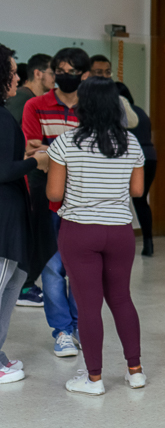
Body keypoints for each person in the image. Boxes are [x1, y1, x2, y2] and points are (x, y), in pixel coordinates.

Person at [46, 77, 146, 394]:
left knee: (88, 305)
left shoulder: (65, 142)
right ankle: (135, 371)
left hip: (79, 231)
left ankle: (93, 379)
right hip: (119, 232)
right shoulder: (131, 143)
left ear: (83, 105)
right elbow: (137, 190)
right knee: (121, 298)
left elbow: (54, 193)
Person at [21, 47, 90, 358]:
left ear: (83, 75)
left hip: (83, 197)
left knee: (79, 267)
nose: (64, 76)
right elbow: (32, 151)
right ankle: (62, 330)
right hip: (45, 195)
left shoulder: (90, 107)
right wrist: (64, 154)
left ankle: (79, 326)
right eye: (59, 70)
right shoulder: (35, 105)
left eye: (70, 72)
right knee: (51, 267)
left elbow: (94, 151)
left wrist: (52, 152)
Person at [0, 45, 50, 385]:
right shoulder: (3, 117)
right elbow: (3, 170)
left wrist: (26, 153)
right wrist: (36, 161)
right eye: (12, 71)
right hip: (4, 216)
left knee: (13, 282)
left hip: (10, 213)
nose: (17, 78)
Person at [7, 53, 53, 308]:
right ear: (38, 73)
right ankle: (25, 287)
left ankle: (25, 285)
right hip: (26, 181)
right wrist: (33, 157)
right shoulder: (23, 101)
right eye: (53, 73)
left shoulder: (32, 101)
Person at [117, 82, 157, 257]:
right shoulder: (140, 112)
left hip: (131, 158)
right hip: (150, 156)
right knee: (141, 200)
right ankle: (148, 242)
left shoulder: (119, 112)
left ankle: (121, 242)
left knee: (120, 199)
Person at [6, 53, 52, 125]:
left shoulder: (26, 96)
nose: (56, 77)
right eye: (52, 73)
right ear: (38, 74)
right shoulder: (22, 96)